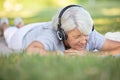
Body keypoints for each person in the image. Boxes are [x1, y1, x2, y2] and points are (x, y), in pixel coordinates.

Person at [2, 4, 120, 56]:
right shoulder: (51, 34)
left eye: (86, 35)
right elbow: (31, 50)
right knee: (9, 34)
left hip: (42, 26)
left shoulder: (86, 31)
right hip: (24, 35)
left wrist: (92, 55)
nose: (84, 41)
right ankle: (5, 25)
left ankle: (20, 24)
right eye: (77, 37)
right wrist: (62, 55)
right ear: (62, 34)